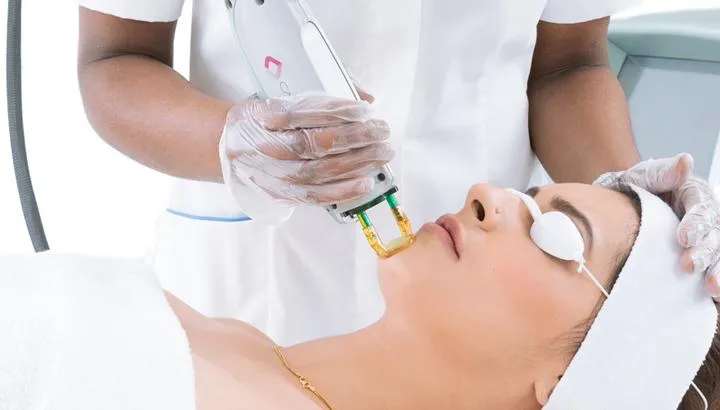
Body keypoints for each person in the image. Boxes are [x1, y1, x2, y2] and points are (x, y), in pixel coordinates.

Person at [75, 0, 720, 346]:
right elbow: (115, 57)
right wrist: (230, 141)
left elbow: (567, 63)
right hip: (254, 283)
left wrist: (628, 211)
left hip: (480, 304)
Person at [2, 181, 717, 409]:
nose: (487, 194)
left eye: (557, 233)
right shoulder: (238, 348)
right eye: (531, 191)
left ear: (570, 386)